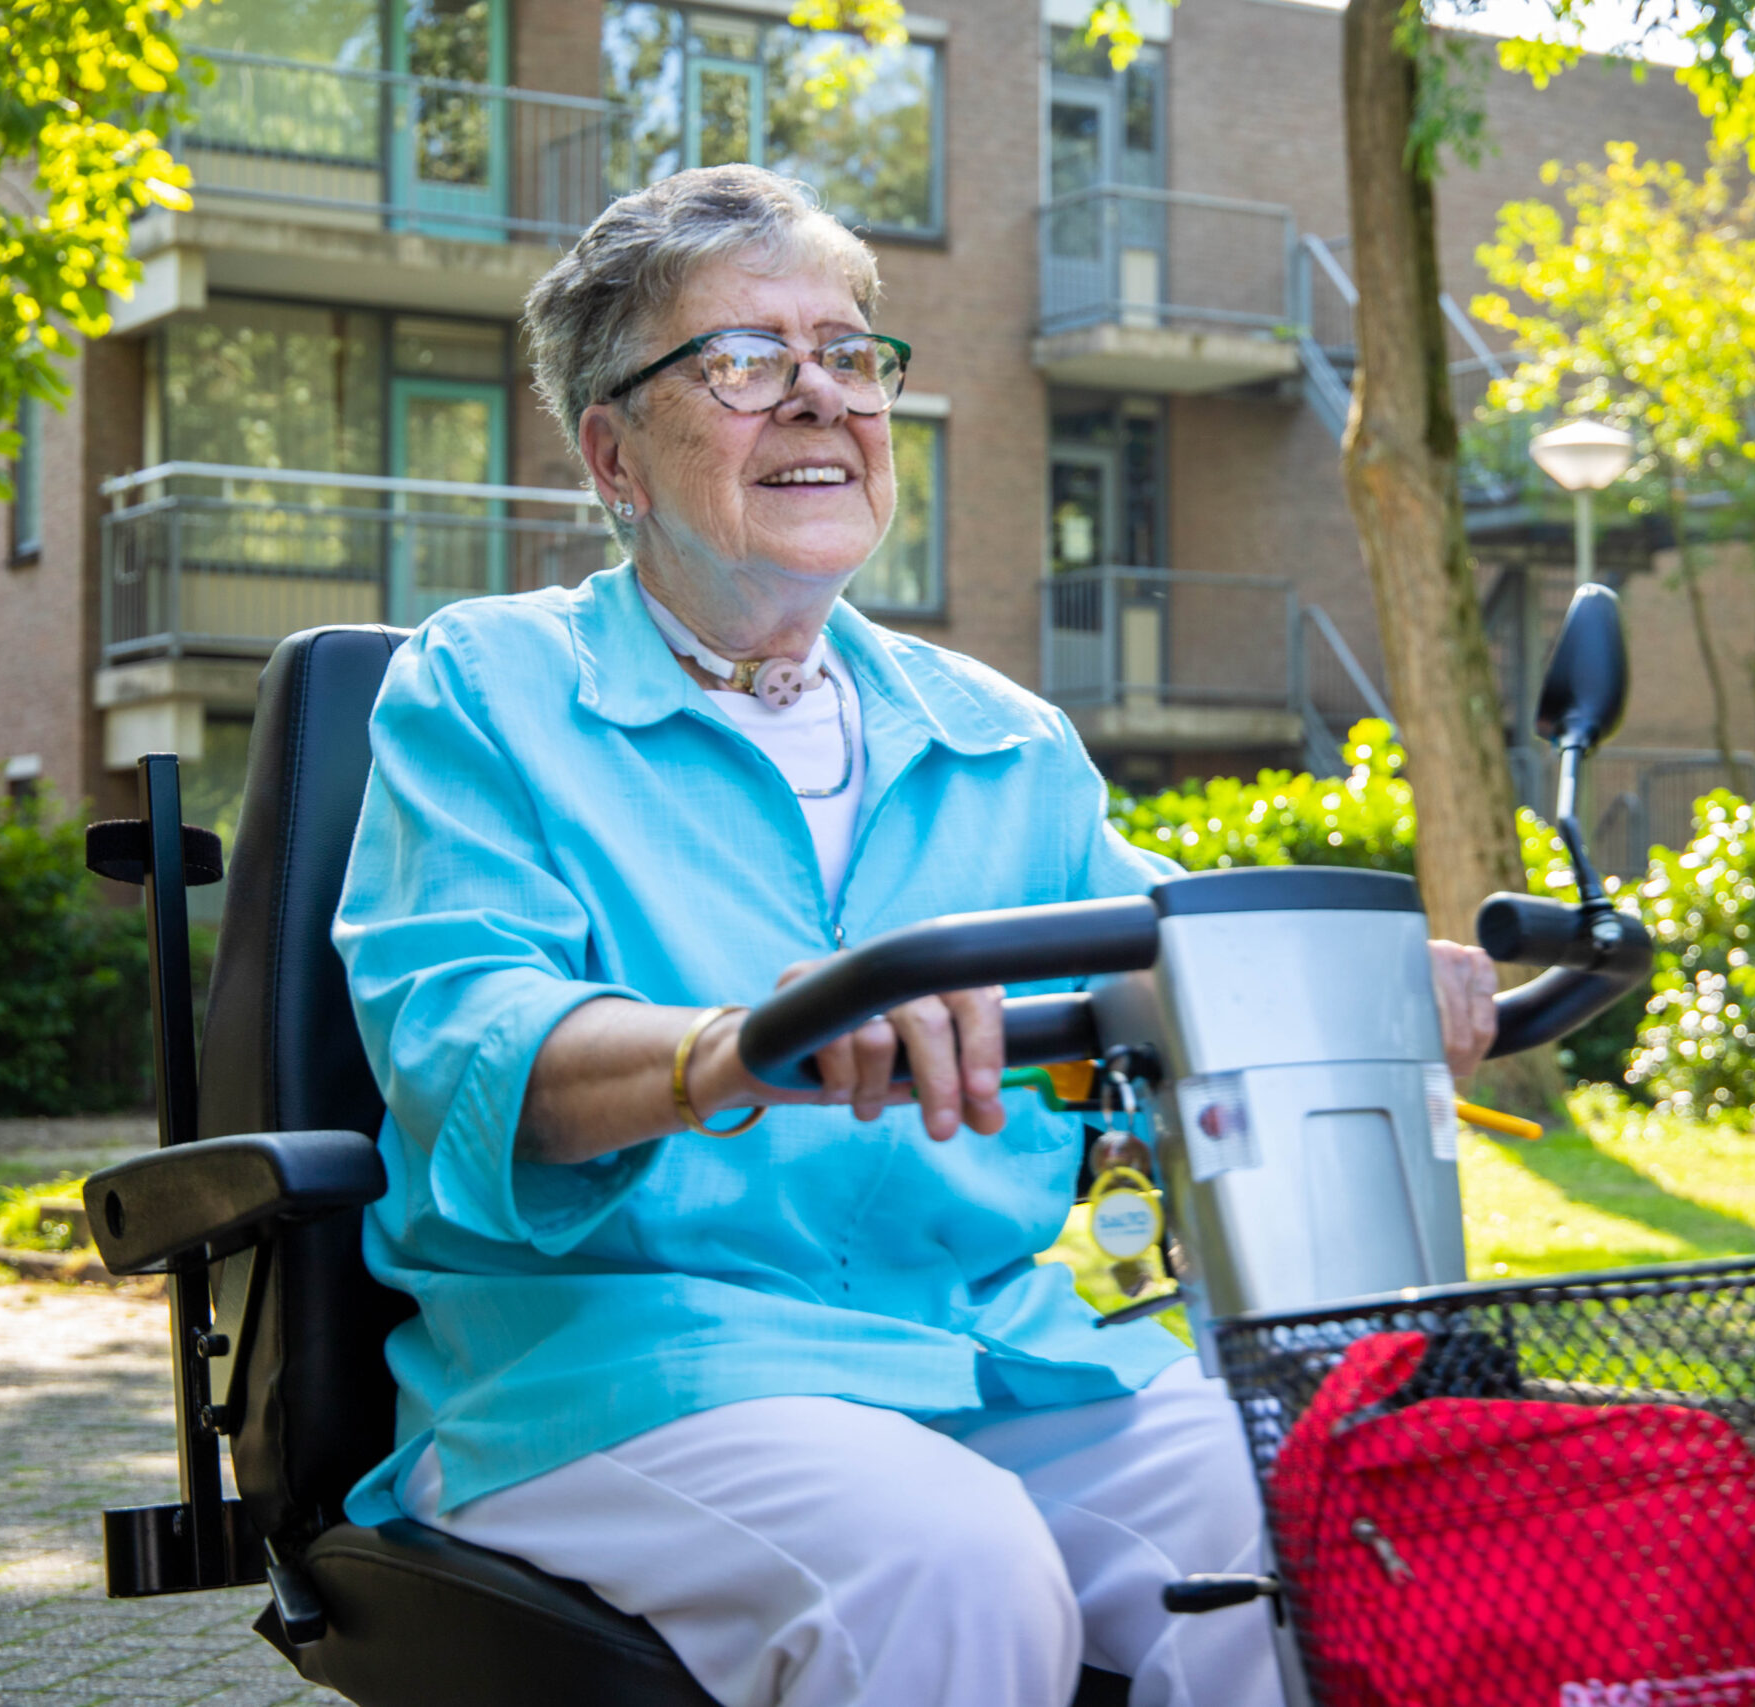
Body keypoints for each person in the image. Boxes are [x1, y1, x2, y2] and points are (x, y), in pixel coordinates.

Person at [332, 164, 1500, 1707]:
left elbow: (1148, 950)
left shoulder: (997, 734)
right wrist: (740, 1040)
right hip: (624, 1365)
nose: (820, 398)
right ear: (613, 454)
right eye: (746, 361)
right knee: (947, 1562)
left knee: (1296, 1505)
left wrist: (1337, 984)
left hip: (984, 1346)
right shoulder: (486, 688)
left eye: (850, 354)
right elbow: (468, 1045)